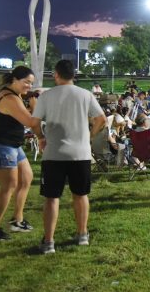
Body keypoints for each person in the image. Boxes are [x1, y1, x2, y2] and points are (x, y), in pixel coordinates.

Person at [32, 60, 106, 254]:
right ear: (73, 74)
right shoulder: (85, 94)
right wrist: (89, 136)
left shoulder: (46, 96)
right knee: (81, 195)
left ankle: (49, 242)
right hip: (80, 153)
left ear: (56, 74)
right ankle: (82, 235)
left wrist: (40, 137)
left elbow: (34, 122)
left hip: (53, 153)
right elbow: (101, 119)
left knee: (51, 198)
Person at [0, 66, 39, 241]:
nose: (29, 86)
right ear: (14, 79)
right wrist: (35, 107)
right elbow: (30, 121)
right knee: (9, 186)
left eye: (31, 83)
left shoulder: (13, 94)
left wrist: (28, 100)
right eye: (26, 82)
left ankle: (17, 220)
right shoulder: (10, 98)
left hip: (12, 144)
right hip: (1, 145)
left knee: (27, 178)